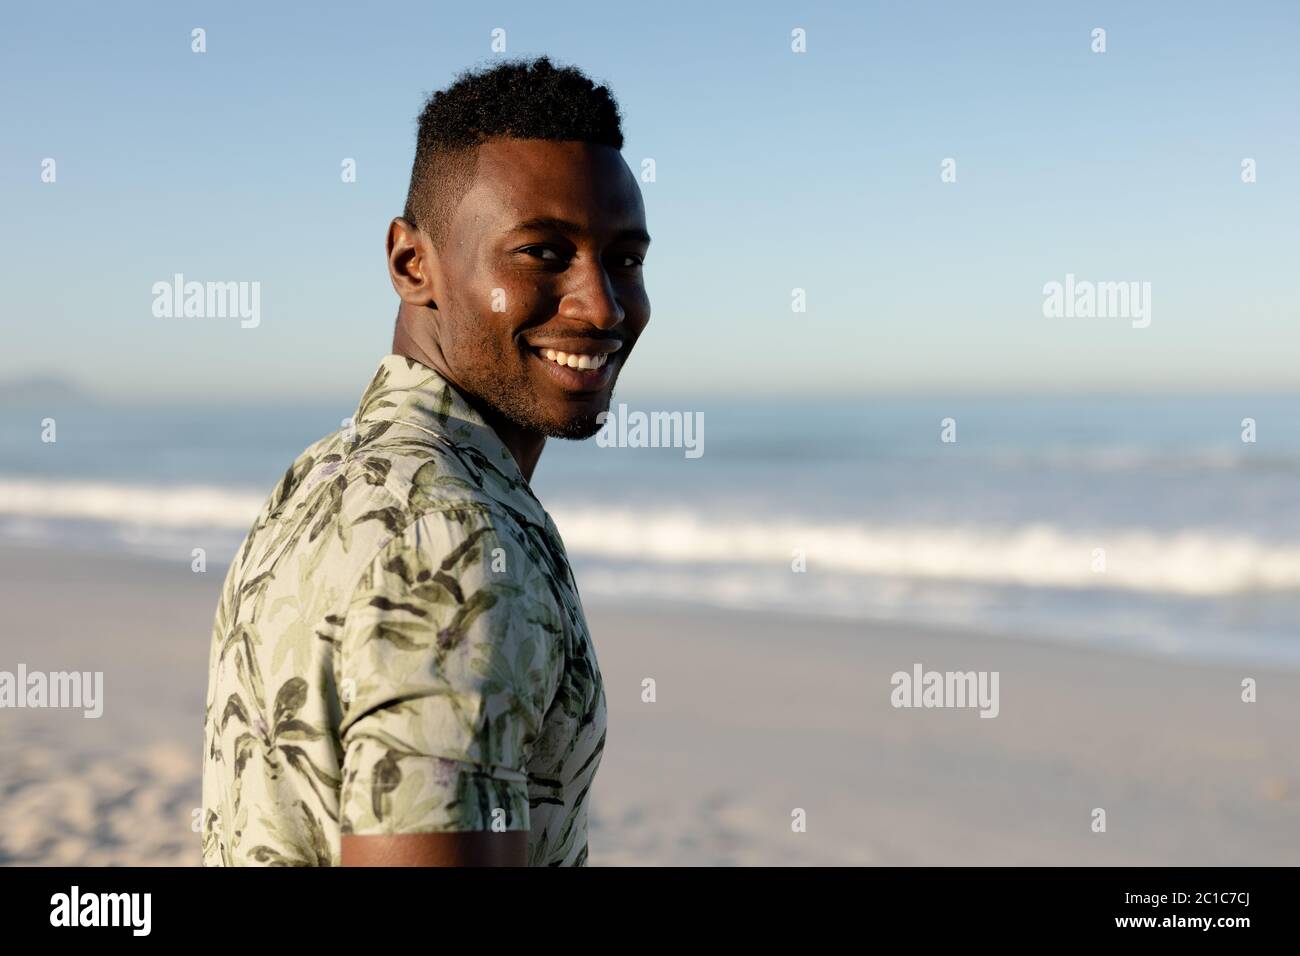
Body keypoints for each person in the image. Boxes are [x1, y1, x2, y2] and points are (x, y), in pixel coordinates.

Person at [201, 55, 651, 866]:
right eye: (544, 254)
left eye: (624, 258)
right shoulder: (457, 540)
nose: (603, 305)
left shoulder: (322, 476)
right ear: (413, 264)